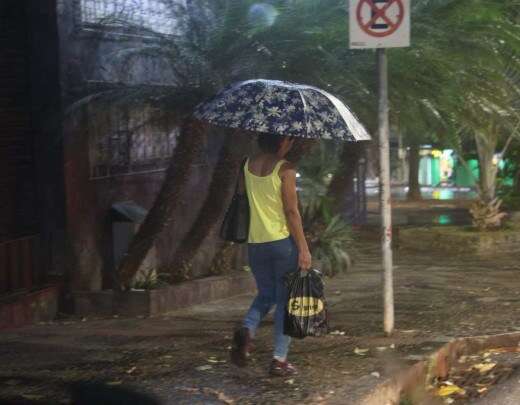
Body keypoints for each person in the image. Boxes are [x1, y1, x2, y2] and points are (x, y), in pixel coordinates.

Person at [230, 133, 312, 376]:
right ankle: (279, 359)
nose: (291, 143)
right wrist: (304, 248)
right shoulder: (285, 169)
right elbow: (291, 211)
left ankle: (247, 329)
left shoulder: (246, 165)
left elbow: (243, 200)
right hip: (281, 244)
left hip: (256, 244)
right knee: (286, 303)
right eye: (289, 139)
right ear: (281, 142)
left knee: (266, 295)